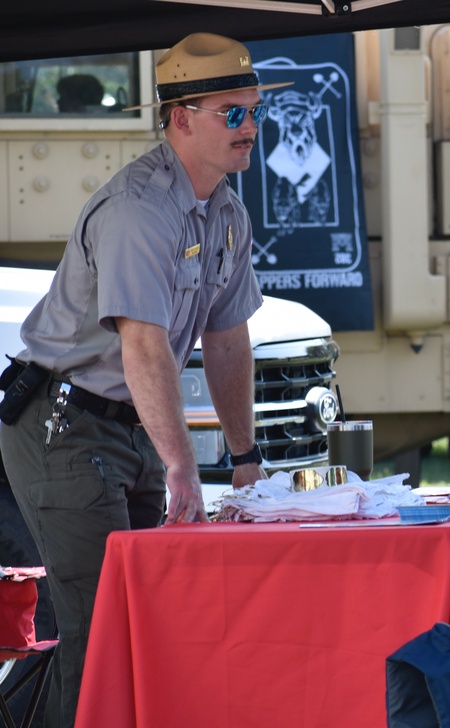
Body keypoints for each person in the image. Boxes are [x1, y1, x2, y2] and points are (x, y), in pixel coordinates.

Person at [0, 33, 290, 726]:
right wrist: (183, 466)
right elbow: (145, 348)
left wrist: (245, 458)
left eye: (254, 112)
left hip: (124, 429)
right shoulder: (139, 208)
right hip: (65, 426)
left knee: (146, 623)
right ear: (181, 117)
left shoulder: (225, 209)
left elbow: (226, 339)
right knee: (100, 631)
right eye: (233, 114)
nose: (250, 128)